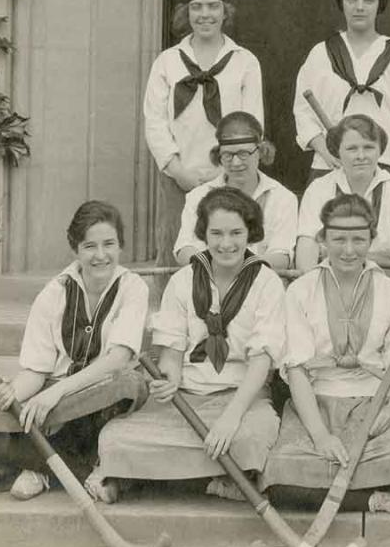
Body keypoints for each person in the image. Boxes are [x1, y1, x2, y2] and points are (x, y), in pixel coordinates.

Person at [88, 187, 284, 503]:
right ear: (203, 235)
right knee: (114, 437)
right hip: (187, 397)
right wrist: (171, 379)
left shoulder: (266, 282)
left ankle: (141, 480)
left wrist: (231, 417)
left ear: (251, 234)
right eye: (216, 233)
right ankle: (216, 480)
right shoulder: (183, 280)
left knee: (254, 440)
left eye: (236, 233)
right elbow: (171, 354)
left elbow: (262, 360)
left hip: (243, 398)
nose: (226, 243)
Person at [261, 194, 390, 518]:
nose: (349, 250)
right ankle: (382, 503)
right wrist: (320, 436)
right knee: (281, 482)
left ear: (372, 239)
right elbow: (297, 372)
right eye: (339, 239)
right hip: (315, 401)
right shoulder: (301, 290)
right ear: (322, 240)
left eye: (359, 239)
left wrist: (389, 412)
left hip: (372, 402)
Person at [0, 201, 148, 500]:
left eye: (109, 244)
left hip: (99, 395)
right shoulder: (54, 293)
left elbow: (118, 360)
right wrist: (15, 392)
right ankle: (82, 472)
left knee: (130, 384)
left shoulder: (133, 287)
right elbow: (37, 371)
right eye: (90, 246)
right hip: (52, 399)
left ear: (121, 245)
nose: (101, 255)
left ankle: (38, 467)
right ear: (75, 249)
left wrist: (55, 396)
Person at [144, 0, 264, 266]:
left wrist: (222, 174)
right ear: (186, 12)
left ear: (226, 11)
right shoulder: (168, 61)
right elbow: (155, 122)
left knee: (225, 250)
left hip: (229, 175)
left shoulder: (244, 62)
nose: (205, 14)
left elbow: (251, 125)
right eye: (196, 6)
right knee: (176, 251)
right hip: (178, 177)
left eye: (213, 6)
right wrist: (179, 171)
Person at [293, 0, 390, 183]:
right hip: (330, 167)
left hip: (384, 168)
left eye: (368, 0)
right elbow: (304, 113)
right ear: (341, 3)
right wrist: (327, 153)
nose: (359, 7)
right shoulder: (320, 53)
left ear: (379, 3)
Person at [295, 114, 390, 302]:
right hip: (330, 287)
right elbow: (307, 245)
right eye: (352, 149)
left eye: (369, 147)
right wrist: (311, 296)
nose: (361, 156)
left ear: (380, 150)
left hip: (384, 290)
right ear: (337, 152)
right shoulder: (319, 189)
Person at [174, 111, 296, 269]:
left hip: (261, 284)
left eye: (244, 154)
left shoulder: (282, 198)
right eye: (228, 155)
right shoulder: (199, 196)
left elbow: (282, 256)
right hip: (209, 280)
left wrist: (238, 270)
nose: (236, 163)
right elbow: (183, 249)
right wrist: (217, 270)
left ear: (260, 151)